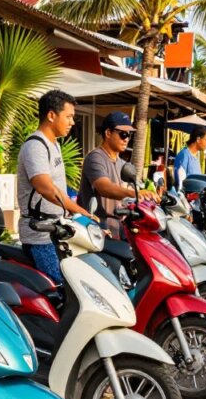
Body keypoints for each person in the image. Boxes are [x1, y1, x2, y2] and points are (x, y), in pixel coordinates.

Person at [17, 90, 94, 283]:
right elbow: (46, 187)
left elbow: (58, 188)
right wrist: (80, 211)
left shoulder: (54, 145)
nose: (72, 122)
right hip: (40, 235)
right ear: (51, 115)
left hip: (57, 230)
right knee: (60, 287)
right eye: (68, 116)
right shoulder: (36, 146)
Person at [77, 112, 158, 237]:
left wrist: (148, 196)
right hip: (96, 228)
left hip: (117, 227)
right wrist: (135, 193)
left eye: (129, 135)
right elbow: (104, 187)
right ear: (108, 133)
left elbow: (127, 188)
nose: (126, 139)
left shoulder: (122, 163)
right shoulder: (95, 158)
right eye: (123, 134)